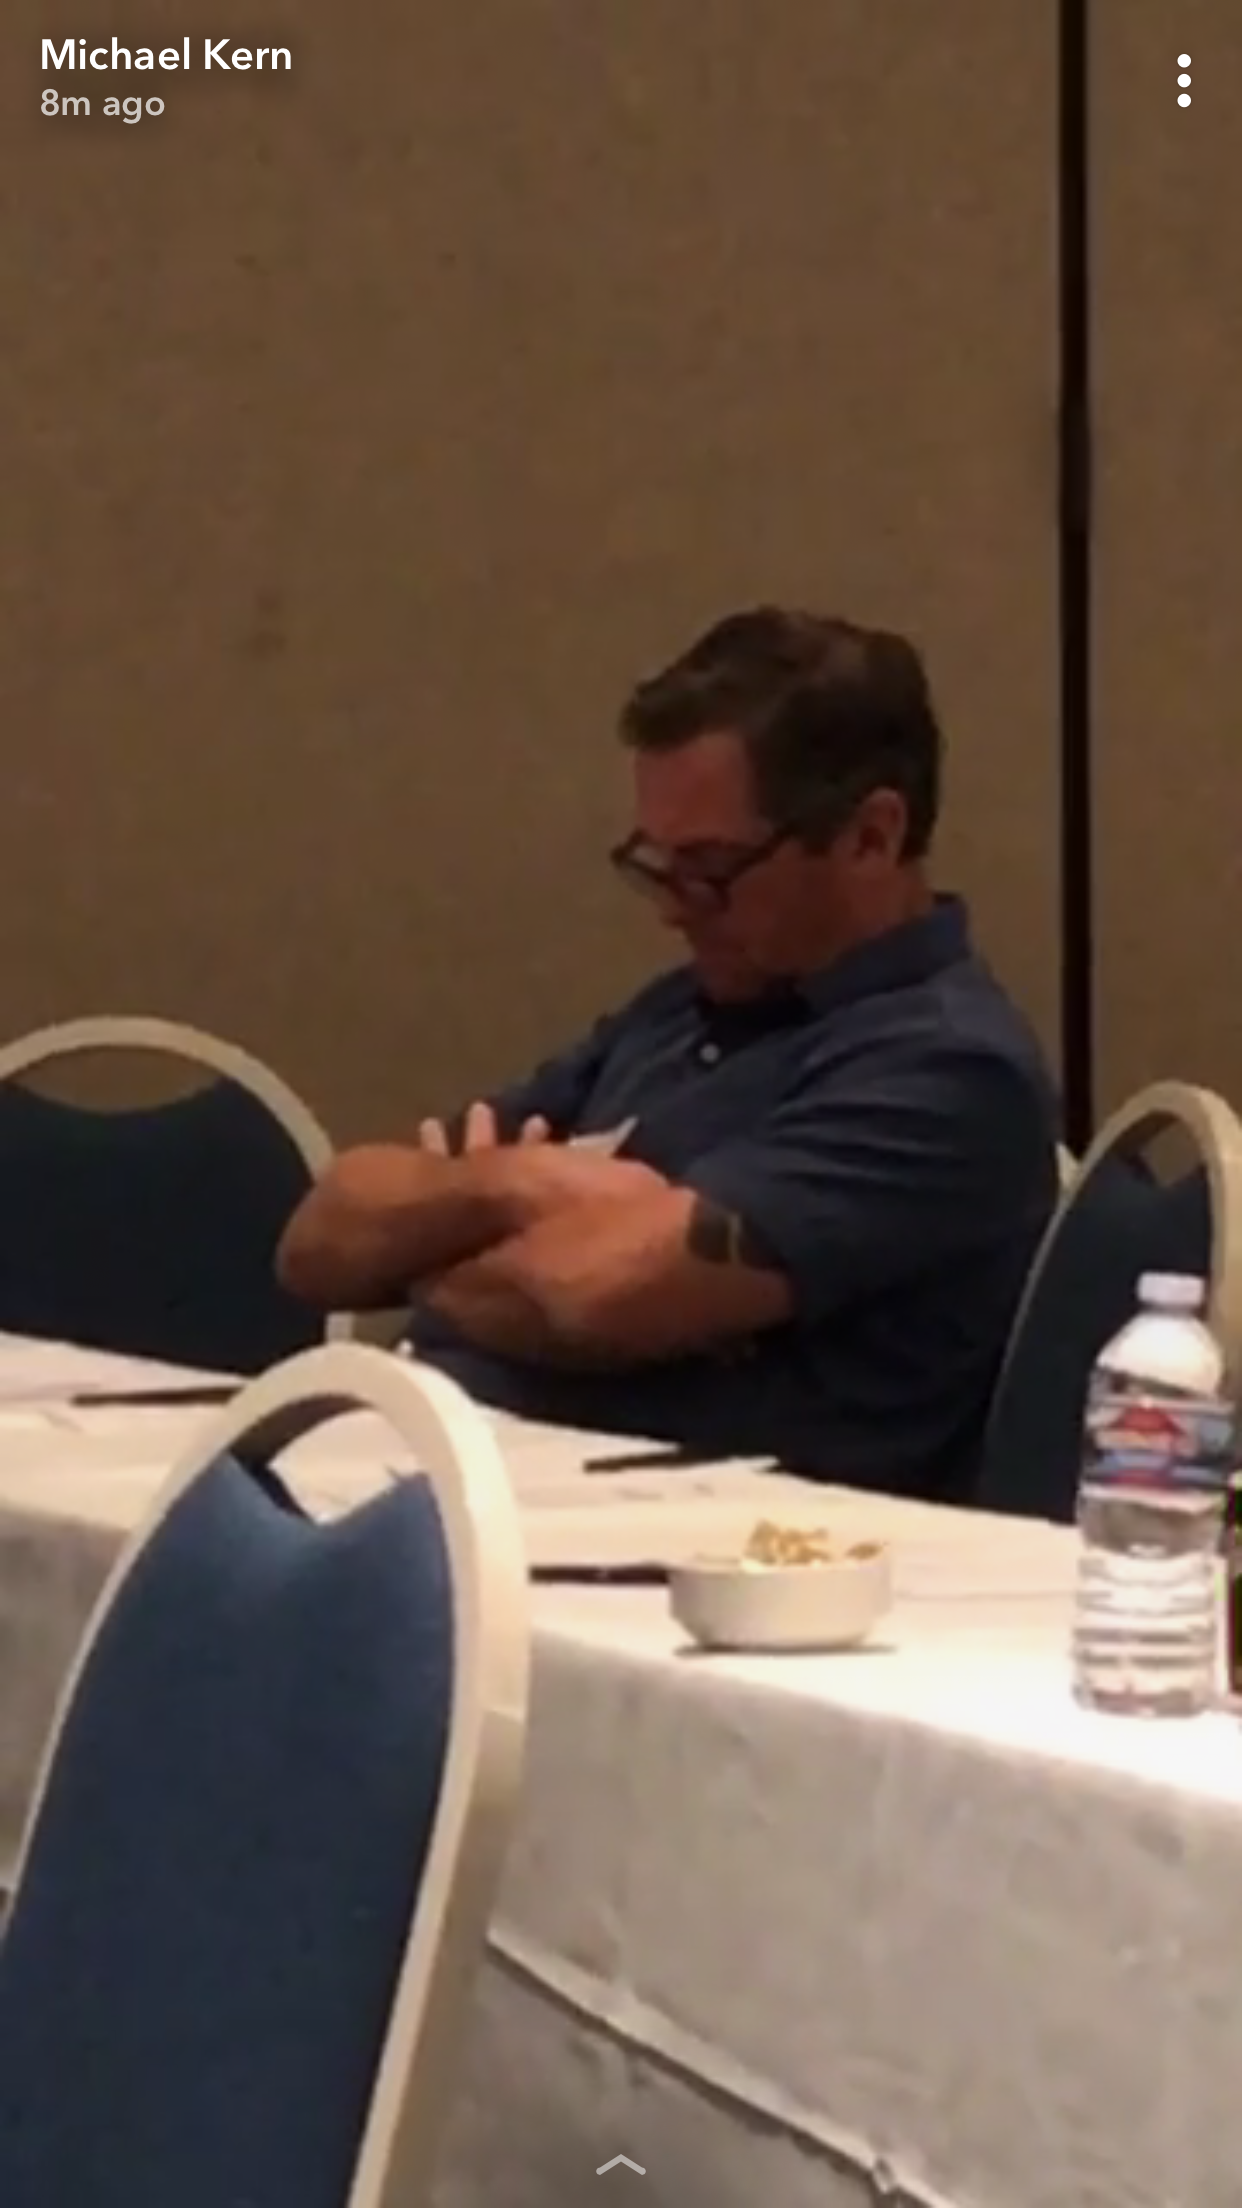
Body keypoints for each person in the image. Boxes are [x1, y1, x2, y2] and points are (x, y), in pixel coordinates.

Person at [277, 607, 1059, 1499]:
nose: (673, 907)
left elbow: (588, 1299)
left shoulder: (949, 1072)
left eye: (712, 868)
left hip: (717, 1546)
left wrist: (420, 1243)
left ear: (870, 836)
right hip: (474, 1481)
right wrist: (514, 1185)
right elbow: (320, 1241)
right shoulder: (688, 1008)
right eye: (657, 864)